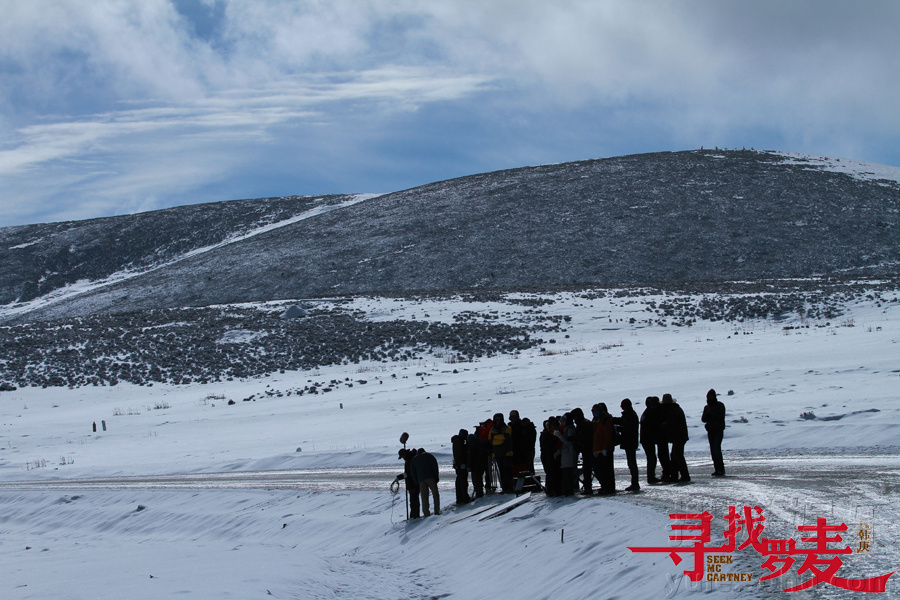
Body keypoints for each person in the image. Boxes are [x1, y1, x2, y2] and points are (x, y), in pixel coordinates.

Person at [661, 394, 690, 482]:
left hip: (679, 436)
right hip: (680, 436)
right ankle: (675, 475)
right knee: (675, 456)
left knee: (677, 456)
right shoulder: (675, 409)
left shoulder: (673, 411)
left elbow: (672, 423)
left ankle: (684, 476)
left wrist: (664, 425)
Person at [615, 398, 640, 491]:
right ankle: (634, 483)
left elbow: (628, 429)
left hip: (630, 442)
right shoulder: (629, 414)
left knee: (632, 463)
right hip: (630, 442)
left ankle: (635, 483)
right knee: (632, 463)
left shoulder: (630, 415)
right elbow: (622, 421)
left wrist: (618, 428)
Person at [591, 403, 616, 495]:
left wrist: (605, 448)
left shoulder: (606, 419)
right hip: (598, 449)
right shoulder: (596, 421)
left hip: (606, 449)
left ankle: (609, 487)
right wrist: (594, 449)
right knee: (600, 470)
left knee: (607, 470)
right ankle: (604, 486)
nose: (594, 413)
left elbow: (607, 435)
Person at [701, 389, 726, 476]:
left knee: (716, 448)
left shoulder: (719, 405)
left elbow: (720, 416)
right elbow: (703, 419)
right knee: (713, 449)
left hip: (718, 430)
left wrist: (711, 413)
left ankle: (721, 469)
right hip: (711, 430)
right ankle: (717, 468)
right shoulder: (706, 407)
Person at [571, 407, 595, 495]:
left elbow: (586, 438)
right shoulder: (581, 424)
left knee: (588, 469)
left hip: (588, 449)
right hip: (585, 449)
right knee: (587, 469)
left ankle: (588, 487)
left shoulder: (585, 424)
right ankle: (587, 486)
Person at [489, 413, 514, 493]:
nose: (497, 421)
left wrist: (496, 438)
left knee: (508, 471)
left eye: (499, 419)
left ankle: (510, 488)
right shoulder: (492, 429)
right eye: (496, 419)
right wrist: (501, 438)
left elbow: (507, 438)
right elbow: (491, 441)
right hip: (498, 454)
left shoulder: (508, 428)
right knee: (502, 472)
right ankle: (504, 488)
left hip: (507, 454)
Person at [412, 447, 441, 516]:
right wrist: (436, 476)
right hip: (431, 477)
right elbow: (435, 466)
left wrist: (416, 481)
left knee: (424, 497)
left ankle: (426, 513)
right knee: (435, 494)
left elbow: (413, 472)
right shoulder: (429, 456)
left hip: (421, 480)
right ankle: (437, 511)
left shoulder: (414, 459)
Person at [554, 414, 578, 496]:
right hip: (565, 455)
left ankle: (570, 490)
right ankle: (567, 489)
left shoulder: (570, 430)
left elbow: (568, 442)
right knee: (566, 474)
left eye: (563, 421)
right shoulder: (564, 429)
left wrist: (560, 436)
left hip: (570, 455)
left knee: (568, 474)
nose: (561, 423)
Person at [640, 396, 660, 484]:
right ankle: (651, 477)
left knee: (651, 458)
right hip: (648, 439)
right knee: (652, 458)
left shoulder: (647, 412)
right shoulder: (650, 413)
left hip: (646, 439)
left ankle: (651, 476)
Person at [540, 418, 562, 496]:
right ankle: (551, 490)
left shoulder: (558, 433)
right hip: (548, 456)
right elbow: (545, 446)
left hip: (556, 456)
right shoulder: (546, 434)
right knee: (550, 473)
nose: (554, 426)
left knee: (557, 473)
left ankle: (557, 489)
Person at [398, 448, 420, 519]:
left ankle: (415, 516)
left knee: (414, 500)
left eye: (402, 457)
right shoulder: (409, 460)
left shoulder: (410, 460)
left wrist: (402, 476)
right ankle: (414, 515)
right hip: (412, 483)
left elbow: (410, 473)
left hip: (413, 483)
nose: (403, 458)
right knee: (413, 500)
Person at [451, 429, 471, 504]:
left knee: (460, 481)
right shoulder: (458, 442)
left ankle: (461, 497)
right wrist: (462, 463)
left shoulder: (459, 441)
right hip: (460, 465)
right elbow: (459, 454)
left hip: (459, 465)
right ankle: (463, 497)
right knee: (462, 482)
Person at [467, 431, 486, 498]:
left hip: (475, 466)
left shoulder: (472, 446)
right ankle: (480, 492)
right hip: (481, 465)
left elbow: (471, 457)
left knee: (476, 480)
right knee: (479, 479)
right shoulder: (480, 443)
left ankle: (479, 493)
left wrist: (469, 465)